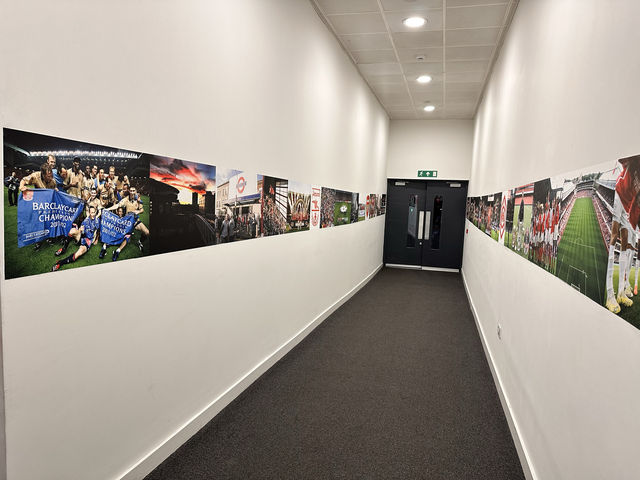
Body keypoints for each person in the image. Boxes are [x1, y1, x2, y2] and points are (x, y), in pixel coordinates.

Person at [605, 156, 640, 314]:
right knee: (613, 237)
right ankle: (609, 294)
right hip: (619, 194)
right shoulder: (636, 160)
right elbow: (621, 158)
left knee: (625, 243)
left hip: (628, 205)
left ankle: (620, 293)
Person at [52, 205, 100, 271]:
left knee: (78, 254)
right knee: (72, 231)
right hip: (82, 236)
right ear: (89, 212)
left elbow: (98, 230)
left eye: (94, 212)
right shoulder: (86, 220)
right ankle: (64, 249)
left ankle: (60, 263)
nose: (93, 214)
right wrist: (80, 230)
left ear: (96, 212)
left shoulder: (97, 221)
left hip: (87, 241)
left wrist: (96, 239)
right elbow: (80, 230)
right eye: (91, 212)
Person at [109, 186, 149, 252]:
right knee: (125, 239)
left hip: (135, 221)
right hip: (127, 222)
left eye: (134, 191)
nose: (132, 192)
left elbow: (142, 210)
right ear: (129, 191)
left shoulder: (138, 200)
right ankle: (117, 249)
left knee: (147, 232)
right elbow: (118, 205)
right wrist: (108, 209)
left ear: (135, 191)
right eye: (131, 191)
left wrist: (138, 211)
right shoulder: (126, 199)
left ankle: (140, 241)